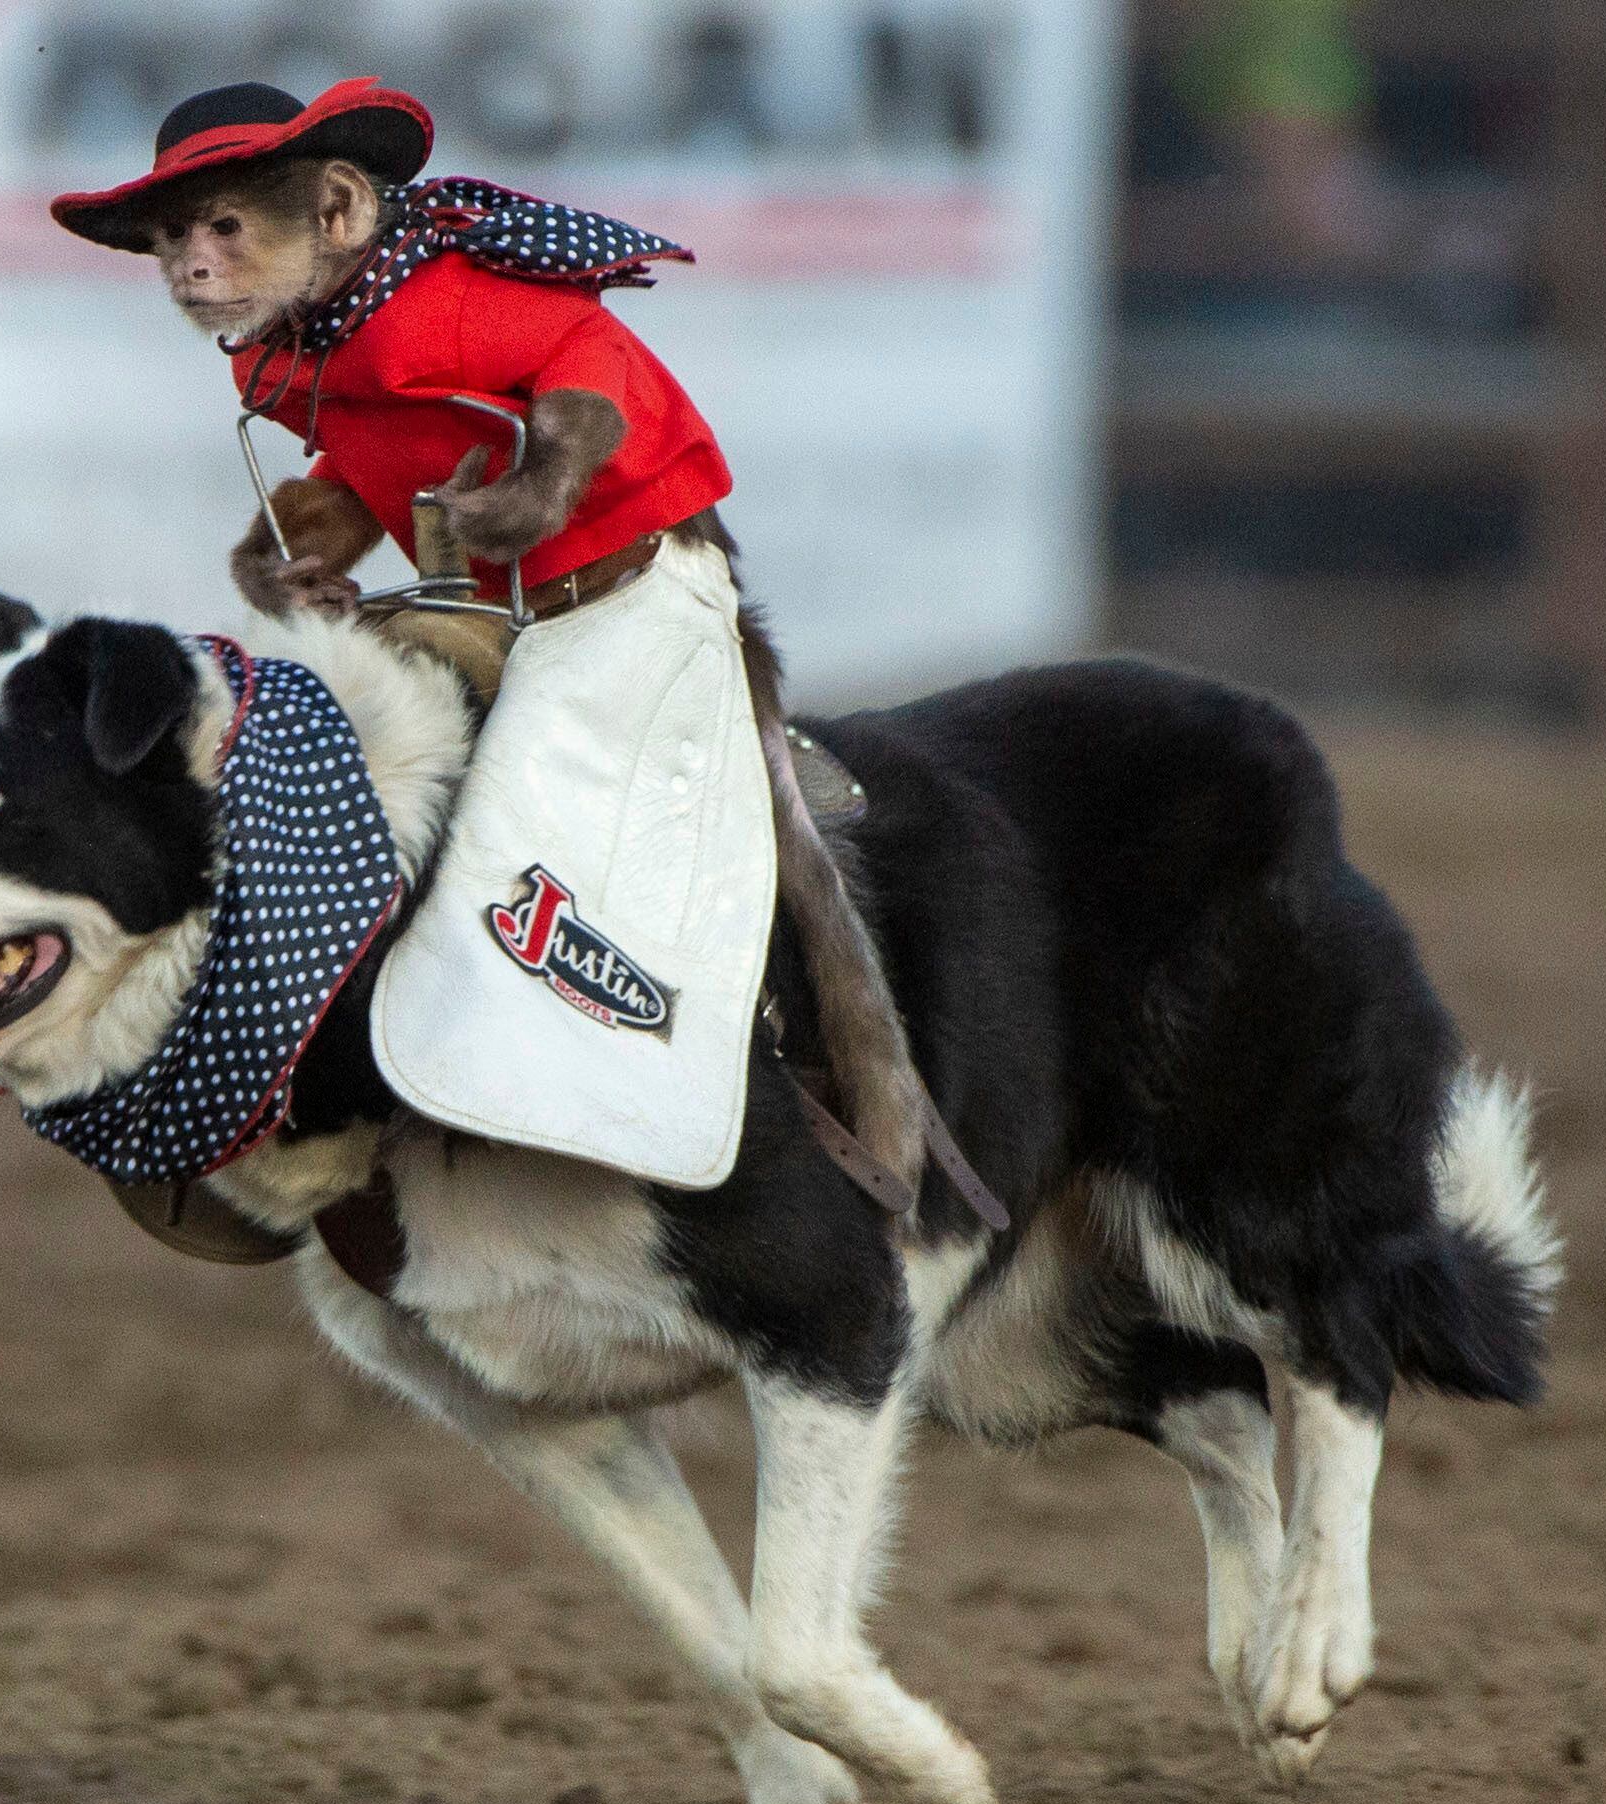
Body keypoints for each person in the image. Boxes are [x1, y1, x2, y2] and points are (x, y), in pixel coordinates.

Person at [52, 79, 955, 1207]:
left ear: (334, 209)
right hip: (497, 608)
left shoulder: (448, 298)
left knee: (614, 841)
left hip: (635, 587)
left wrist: (545, 486)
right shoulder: (289, 349)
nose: (190, 262)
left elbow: (594, 370)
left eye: (224, 228)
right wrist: (277, 555)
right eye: (173, 238)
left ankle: (764, 1088)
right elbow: (370, 463)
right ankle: (305, 1092)